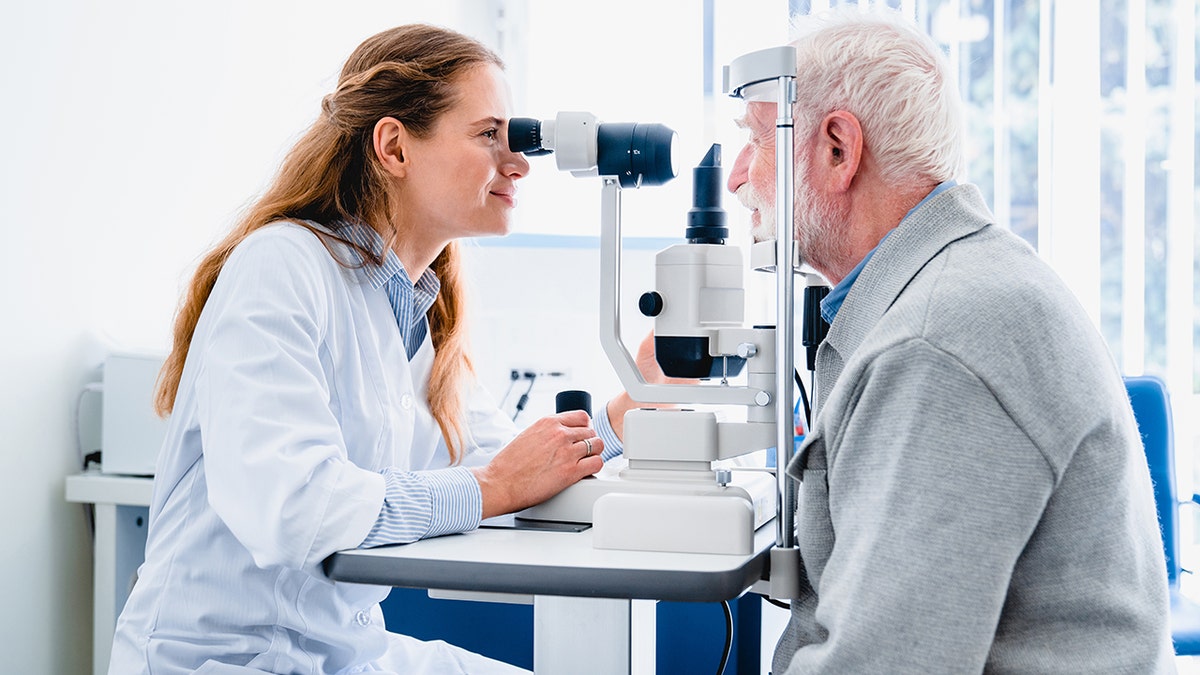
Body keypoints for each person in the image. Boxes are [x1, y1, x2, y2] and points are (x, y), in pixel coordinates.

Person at [108, 23, 658, 675]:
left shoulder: (415, 314)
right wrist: (491, 485)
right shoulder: (284, 264)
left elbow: (506, 467)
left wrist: (636, 403)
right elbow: (295, 508)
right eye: (490, 135)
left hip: (343, 651)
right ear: (394, 146)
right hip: (223, 656)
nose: (517, 163)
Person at [725, 8, 1174, 673]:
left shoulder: (938, 341)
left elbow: (884, 663)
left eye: (758, 141)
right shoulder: (945, 291)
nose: (736, 175)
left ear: (837, 149)